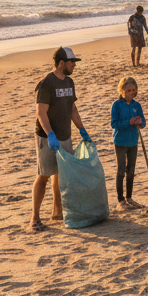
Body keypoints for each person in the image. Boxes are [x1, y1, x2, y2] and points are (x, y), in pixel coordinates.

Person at [32, 46, 90, 230]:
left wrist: (82, 130)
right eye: (72, 62)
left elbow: (73, 109)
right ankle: (34, 218)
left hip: (65, 135)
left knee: (61, 174)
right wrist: (50, 135)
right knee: (44, 175)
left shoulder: (69, 83)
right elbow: (41, 112)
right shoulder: (47, 83)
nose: (75, 65)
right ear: (61, 62)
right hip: (47, 136)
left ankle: (58, 212)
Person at [111, 76, 145, 209]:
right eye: (129, 90)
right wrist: (128, 122)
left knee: (131, 170)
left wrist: (140, 122)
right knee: (121, 170)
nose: (132, 92)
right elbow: (114, 123)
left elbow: (143, 122)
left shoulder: (137, 105)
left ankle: (129, 197)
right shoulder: (117, 105)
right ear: (122, 90)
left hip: (133, 141)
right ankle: (120, 199)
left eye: (133, 90)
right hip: (120, 141)